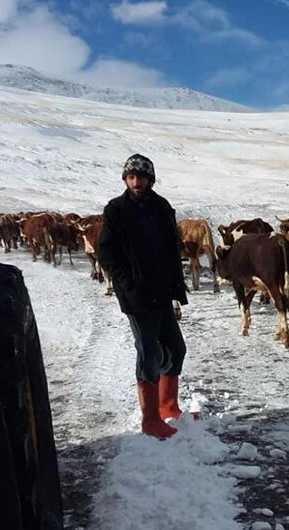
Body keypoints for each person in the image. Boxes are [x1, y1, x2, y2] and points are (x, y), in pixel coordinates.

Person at [98, 154, 189, 439]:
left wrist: (176, 283)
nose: (137, 182)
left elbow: (171, 247)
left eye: (142, 177)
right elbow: (106, 252)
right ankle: (150, 419)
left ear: (151, 178)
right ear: (126, 179)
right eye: (132, 177)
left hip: (162, 291)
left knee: (175, 348)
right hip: (137, 296)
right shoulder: (116, 210)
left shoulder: (161, 207)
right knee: (148, 351)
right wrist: (127, 283)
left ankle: (168, 407)